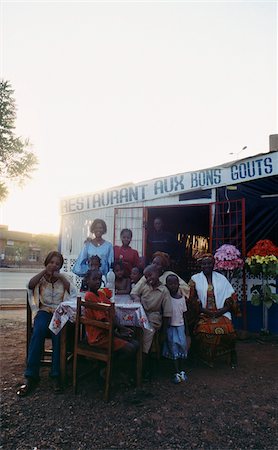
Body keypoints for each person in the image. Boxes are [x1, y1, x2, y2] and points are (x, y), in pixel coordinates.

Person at [17, 251, 77, 397]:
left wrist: (61, 277)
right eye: (51, 262)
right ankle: (31, 375)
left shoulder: (64, 278)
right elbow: (30, 286)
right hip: (43, 312)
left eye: (57, 264)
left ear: (60, 266)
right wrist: (44, 271)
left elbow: (73, 292)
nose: (53, 265)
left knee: (57, 335)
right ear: (46, 263)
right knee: (38, 332)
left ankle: (56, 375)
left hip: (59, 312)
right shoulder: (40, 278)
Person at [84, 269, 138, 381]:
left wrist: (122, 328)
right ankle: (109, 369)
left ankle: (107, 367)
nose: (97, 282)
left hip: (106, 331)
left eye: (99, 279)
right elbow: (103, 321)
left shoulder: (100, 294)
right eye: (94, 279)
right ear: (87, 281)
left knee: (136, 343)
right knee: (130, 348)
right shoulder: (89, 296)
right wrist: (118, 334)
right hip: (98, 336)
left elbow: (111, 312)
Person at [188, 253, 238, 368]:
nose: (207, 266)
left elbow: (231, 297)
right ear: (201, 265)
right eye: (204, 264)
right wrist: (207, 312)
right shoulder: (195, 279)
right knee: (203, 331)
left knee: (230, 331)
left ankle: (232, 353)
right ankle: (206, 357)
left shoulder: (222, 278)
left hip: (222, 312)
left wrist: (221, 311)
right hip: (203, 314)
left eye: (209, 263)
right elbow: (191, 300)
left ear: (213, 264)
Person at [131, 264, 172, 377]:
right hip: (141, 314)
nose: (149, 279)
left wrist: (164, 332)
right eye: (146, 277)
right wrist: (137, 298)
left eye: (150, 275)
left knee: (147, 332)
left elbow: (167, 313)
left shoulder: (164, 291)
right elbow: (134, 293)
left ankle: (141, 366)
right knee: (129, 328)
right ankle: (131, 360)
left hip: (153, 317)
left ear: (158, 273)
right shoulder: (144, 285)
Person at [162, 274, 191, 384]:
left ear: (179, 284)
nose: (173, 286)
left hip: (180, 326)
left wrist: (187, 331)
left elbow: (184, 315)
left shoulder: (182, 298)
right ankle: (176, 372)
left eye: (175, 283)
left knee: (182, 347)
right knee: (172, 347)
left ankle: (182, 370)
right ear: (166, 285)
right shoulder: (166, 298)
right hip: (170, 327)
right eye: (170, 284)